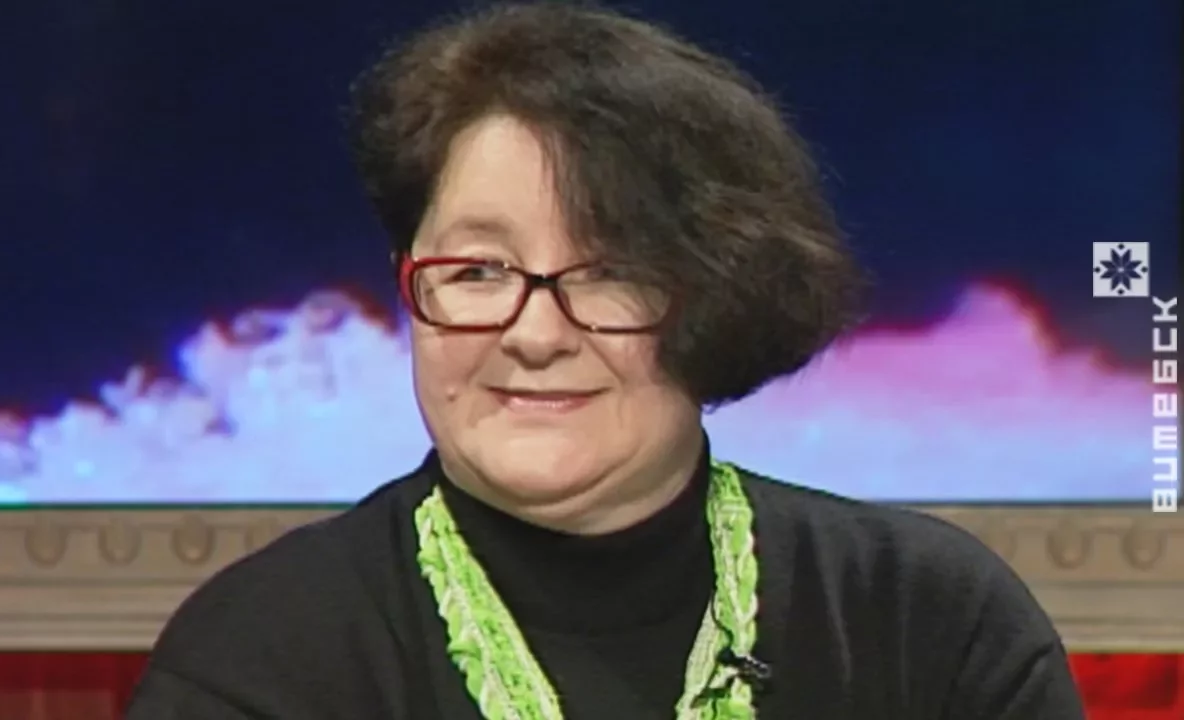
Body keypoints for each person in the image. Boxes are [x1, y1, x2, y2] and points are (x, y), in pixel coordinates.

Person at [125, 3, 1085, 718]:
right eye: (479, 270)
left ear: (719, 291)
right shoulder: (258, 658)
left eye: (610, 271)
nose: (536, 334)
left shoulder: (930, 622)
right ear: (406, 285)